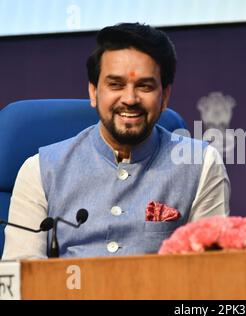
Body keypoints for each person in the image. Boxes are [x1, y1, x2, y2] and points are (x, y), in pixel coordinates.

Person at [2, 23, 230, 259]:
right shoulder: (39, 171)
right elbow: (21, 282)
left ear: (165, 96)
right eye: (115, 84)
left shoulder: (201, 164)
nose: (130, 99)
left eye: (144, 86)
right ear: (93, 92)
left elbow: (211, 275)